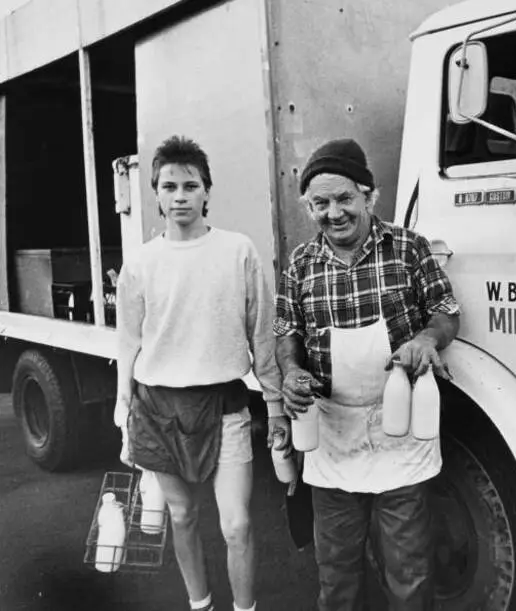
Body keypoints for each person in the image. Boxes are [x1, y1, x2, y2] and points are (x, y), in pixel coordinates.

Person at [274, 138, 461, 610]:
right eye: (320, 203)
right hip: (332, 436)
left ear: (368, 197)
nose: (333, 213)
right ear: (308, 207)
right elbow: (285, 332)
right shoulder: (300, 265)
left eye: (344, 199)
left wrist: (426, 339)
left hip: (401, 434)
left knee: (409, 569)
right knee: (337, 574)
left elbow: (446, 311)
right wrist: (292, 371)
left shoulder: (408, 249)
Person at [114, 135, 289, 611]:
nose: (180, 196)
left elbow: (263, 335)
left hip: (225, 403)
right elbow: (128, 339)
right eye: (168, 186)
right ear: (155, 194)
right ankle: (201, 604)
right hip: (157, 407)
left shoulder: (239, 252)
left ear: (207, 192)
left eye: (190, 185)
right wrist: (123, 405)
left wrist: (275, 409)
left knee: (236, 525)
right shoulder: (142, 263)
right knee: (183, 514)